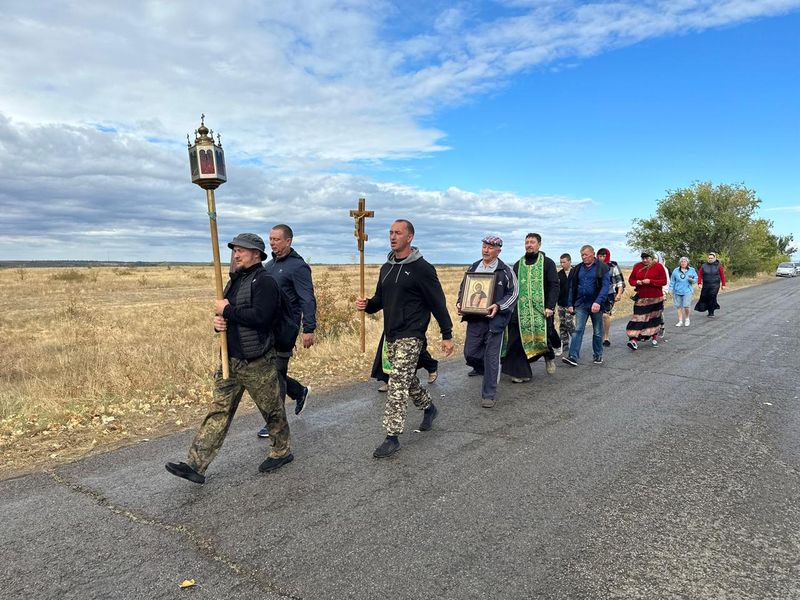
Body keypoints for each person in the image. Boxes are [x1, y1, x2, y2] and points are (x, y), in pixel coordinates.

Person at [166, 234, 293, 484]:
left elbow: (262, 317)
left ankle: (281, 451)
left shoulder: (265, 281)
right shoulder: (234, 281)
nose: (236, 255)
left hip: (257, 361)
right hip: (229, 359)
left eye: (242, 251)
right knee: (218, 411)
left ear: (256, 254)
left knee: (272, 411)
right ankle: (195, 464)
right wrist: (219, 323)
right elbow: (230, 316)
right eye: (235, 250)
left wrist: (227, 311)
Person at [356, 219, 454, 458]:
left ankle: (392, 436)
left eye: (398, 233)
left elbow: (437, 302)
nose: (392, 236)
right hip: (392, 334)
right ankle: (429, 408)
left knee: (397, 382)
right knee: (407, 379)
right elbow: (380, 300)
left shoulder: (422, 268)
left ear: (409, 237)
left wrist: (447, 334)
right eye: (390, 232)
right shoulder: (386, 268)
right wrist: (367, 305)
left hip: (412, 334)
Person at [256, 224, 316, 438]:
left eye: (276, 239)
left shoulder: (298, 267)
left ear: (288, 241)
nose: (272, 242)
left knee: (275, 374)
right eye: (270, 239)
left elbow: (307, 298)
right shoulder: (269, 266)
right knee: (273, 372)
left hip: (286, 329)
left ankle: (275, 422)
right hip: (268, 329)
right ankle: (299, 392)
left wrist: (308, 328)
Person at [456, 235, 518, 408]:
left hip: (494, 322)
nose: (486, 250)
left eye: (490, 247)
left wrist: (498, 306)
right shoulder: (474, 267)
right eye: (484, 246)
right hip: (475, 320)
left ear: (498, 250)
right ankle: (489, 370)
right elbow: (464, 288)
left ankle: (489, 394)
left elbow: (513, 294)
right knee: (469, 353)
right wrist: (460, 302)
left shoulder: (506, 270)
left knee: (491, 357)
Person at [501, 233, 559, 382]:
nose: (529, 245)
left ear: (539, 244)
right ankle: (521, 373)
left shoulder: (548, 263)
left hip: (541, 310)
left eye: (532, 242)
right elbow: (512, 287)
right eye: (526, 242)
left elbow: (554, 285)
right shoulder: (518, 264)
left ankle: (548, 356)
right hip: (520, 311)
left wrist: (550, 306)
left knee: (543, 339)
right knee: (516, 340)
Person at [562, 245, 610, 366]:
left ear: (593, 254)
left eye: (586, 255)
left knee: (598, 331)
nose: (584, 257)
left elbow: (605, 287)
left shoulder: (602, 267)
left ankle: (598, 355)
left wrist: (598, 302)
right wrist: (570, 304)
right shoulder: (577, 269)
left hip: (596, 305)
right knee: (578, 329)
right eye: (582, 255)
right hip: (581, 304)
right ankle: (573, 356)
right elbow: (572, 287)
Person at [625, 250, 668, 350]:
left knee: (653, 318)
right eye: (643, 258)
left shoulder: (658, 266)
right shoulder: (637, 266)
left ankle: (653, 337)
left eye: (647, 258)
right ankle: (633, 340)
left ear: (652, 258)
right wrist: (637, 282)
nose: (644, 260)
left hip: (656, 298)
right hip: (641, 298)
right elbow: (631, 280)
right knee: (638, 319)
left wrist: (650, 281)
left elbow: (664, 281)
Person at [371, 333, 438, 392]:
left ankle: (431, 366)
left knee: (416, 351)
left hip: (412, 324)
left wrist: (446, 334)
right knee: (387, 351)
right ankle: (390, 381)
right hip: (393, 323)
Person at [596, 248, 626, 347]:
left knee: (605, 315)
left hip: (609, 294)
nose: (602, 258)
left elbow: (619, 281)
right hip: (596, 294)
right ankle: (598, 335)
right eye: (600, 256)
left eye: (604, 256)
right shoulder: (595, 266)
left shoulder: (613, 265)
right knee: (597, 316)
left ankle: (606, 337)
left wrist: (619, 294)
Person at [696, 252, 727, 317]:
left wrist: (723, 284)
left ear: (715, 258)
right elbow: (699, 274)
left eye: (711, 258)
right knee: (705, 297)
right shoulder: (704, 265)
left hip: (715, 285)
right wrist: (699, 283)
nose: (710, 259)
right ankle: (709, 309)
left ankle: (711, 312)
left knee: (712, 296)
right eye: (709, 258)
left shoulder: (719, 266)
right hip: (706, 285)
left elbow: (722, 276)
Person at [669, 257, 698, 327]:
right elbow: (672, 281)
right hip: (677, 291)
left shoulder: (691, 270)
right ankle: (680, 321)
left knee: (686, 306)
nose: (683, 263)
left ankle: (687, 318)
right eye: (682, 261)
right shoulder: (676, 270)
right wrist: (670, 289)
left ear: (687, 263)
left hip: (687, 291)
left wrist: (692, 280)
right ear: (680, 263)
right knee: (678, 306)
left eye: (685, 261)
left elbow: (696, 279)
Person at [556, 253, 575, 357]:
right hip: (561, 303)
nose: (562, 264)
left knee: (569, 322)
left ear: (569, 261)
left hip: (571, 304)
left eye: (564, 262)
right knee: (562, 323)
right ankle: (565, 343)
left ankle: (576, 339)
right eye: (561, 262)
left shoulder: (575, 272)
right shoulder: (559, 274)